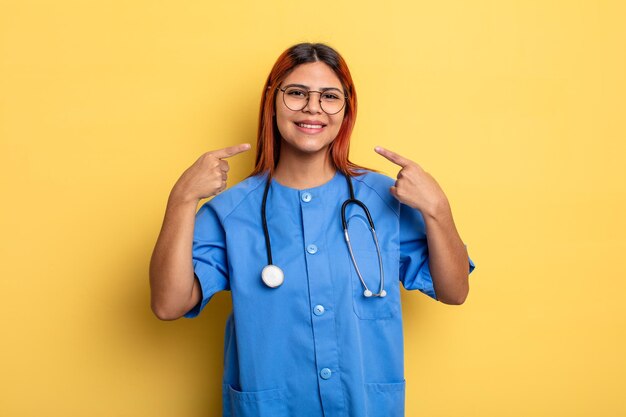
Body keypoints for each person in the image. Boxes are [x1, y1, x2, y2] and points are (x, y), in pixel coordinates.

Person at [149, 42, 475, 417]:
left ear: (346, 109)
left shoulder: (384, 199)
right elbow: (168, 304)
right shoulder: (231, 212)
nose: (313, 108)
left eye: (329, 96)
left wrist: (438, 209)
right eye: (297, 93)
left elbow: (455, 291)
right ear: (272, 101)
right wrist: (182, 200)